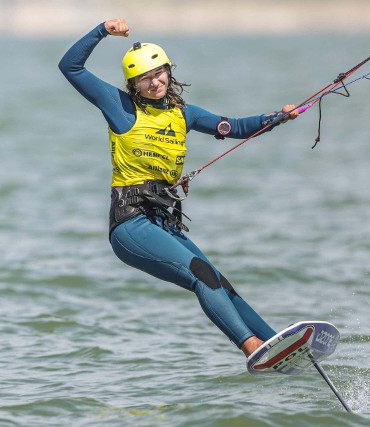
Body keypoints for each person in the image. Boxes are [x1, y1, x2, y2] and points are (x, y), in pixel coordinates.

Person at [58, 18, 299, 359]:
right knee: (202, 275)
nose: (154, 81)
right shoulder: (120, 107)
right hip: (130, 224)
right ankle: (252, 348)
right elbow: (70, 66)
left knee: (218, 281)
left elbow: (236, 127)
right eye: (144, 77)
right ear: (133, 83)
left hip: (162, 222)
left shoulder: (183, 115)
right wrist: (101, 30)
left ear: (169, 71)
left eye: (159, 72)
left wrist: (277, 117)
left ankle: (280, 345)